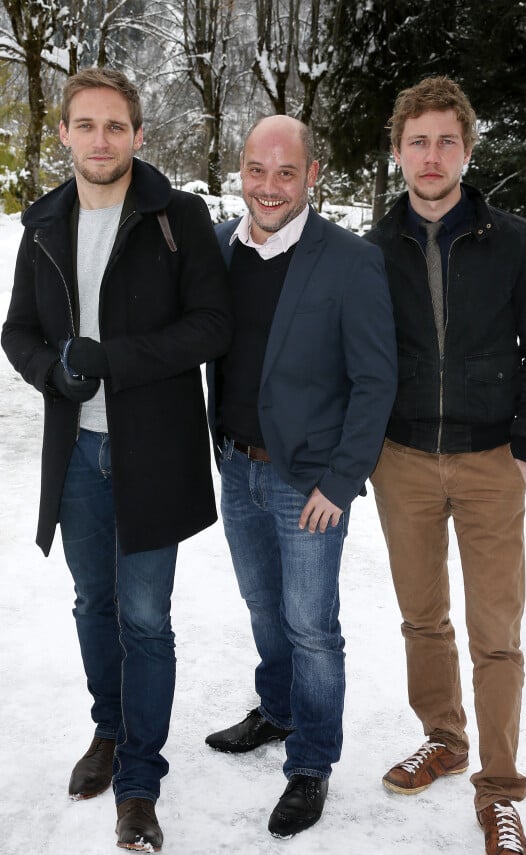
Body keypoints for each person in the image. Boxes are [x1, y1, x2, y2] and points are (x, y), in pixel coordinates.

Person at [1, 68, 231, 851]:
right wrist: (52, 369)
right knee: (92, 605)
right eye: (85, 125)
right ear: (64, 133)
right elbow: (17, 330)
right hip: (76, 457)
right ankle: (109, 728)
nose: (100, 140)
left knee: (144, 618)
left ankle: (139, 776)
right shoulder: (43, 224)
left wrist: (116, 359)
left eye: (115, 126)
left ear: (138, 134)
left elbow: (211, 326)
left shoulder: (177, 217)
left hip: (151, 452)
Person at [365, 76, 526, 855]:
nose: (431, 155)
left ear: (467, 149)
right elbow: (358, 354)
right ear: (398, 150)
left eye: (447, 140)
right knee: (422, 616)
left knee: (496, 633)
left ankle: (502, 790)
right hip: (404, 461)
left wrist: (523, 450)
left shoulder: (514, 241)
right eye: (418, 141)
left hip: (489, 462)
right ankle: (444, 738)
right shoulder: (372, 250)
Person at [205, 114, 397, 838]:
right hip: (237, 465)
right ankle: (279, 710)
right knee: (262, 606)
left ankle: (312, 760)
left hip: (309, 482)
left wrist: (341, 480)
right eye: (258, 170)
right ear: (241, 170)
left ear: (313, 175)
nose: (270, 187)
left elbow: (376, 380)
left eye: (287, 172)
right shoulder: (222, 246)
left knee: (312, 626)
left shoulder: (349, 261)